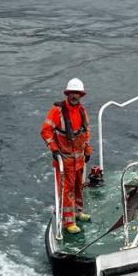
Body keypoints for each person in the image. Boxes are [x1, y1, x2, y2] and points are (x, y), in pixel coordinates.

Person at [40, 78, 92, 234]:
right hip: (65, 159)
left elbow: (85, 132)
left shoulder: (82, 111)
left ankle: (78, 212)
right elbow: (45, 131)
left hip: (79, 159)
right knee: (66, 190)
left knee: (78, 187)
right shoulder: (57, 111)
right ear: (67, 94)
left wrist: (87, 150)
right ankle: (68, 222)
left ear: (81, 95)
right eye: (72, 93)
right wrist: (54, 150)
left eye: (77, 93)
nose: (75, 95)